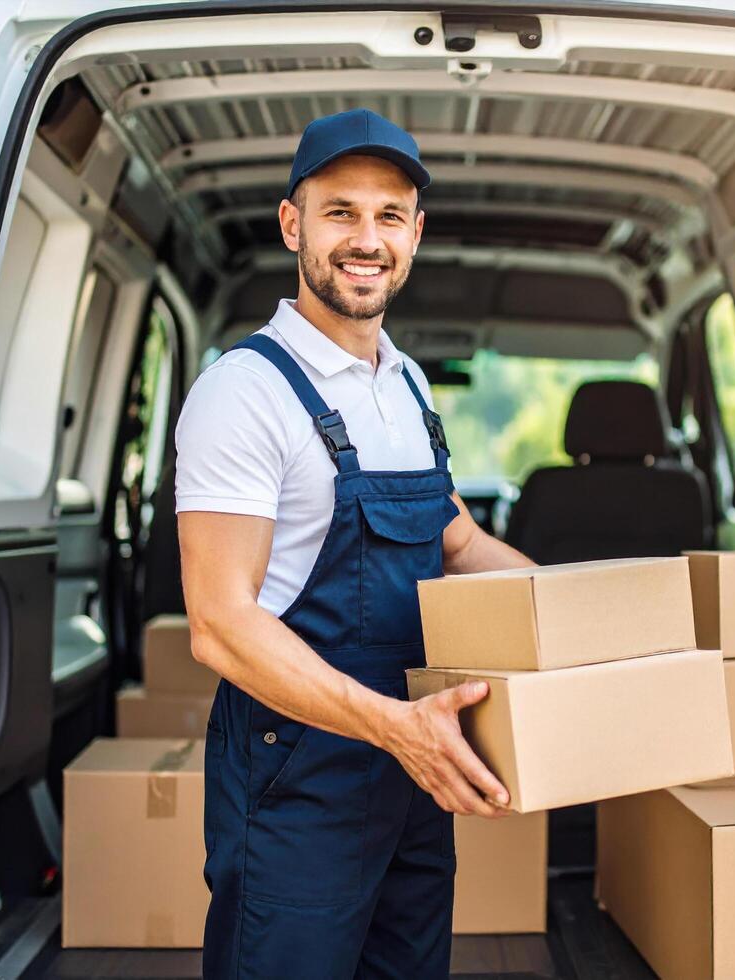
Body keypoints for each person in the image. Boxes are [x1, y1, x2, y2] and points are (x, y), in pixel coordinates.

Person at [172, 108, 536, 978]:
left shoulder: (404, 381)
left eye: (387, 215)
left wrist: (588, 618)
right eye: (340, 212)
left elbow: (454, 540)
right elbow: (218, 624)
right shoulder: (244, 393)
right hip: (300, 770)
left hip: (415, 765)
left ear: (414, 233)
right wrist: (394, 729)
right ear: (293, 223)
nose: (364, 238)